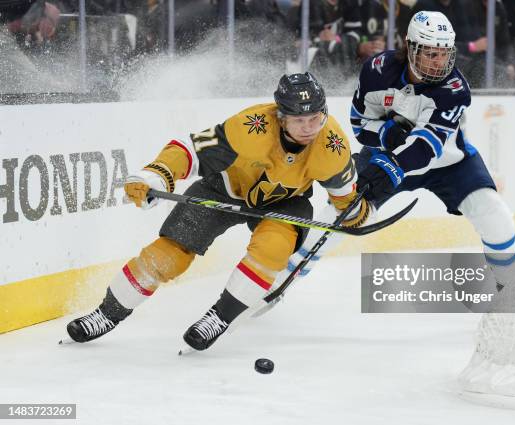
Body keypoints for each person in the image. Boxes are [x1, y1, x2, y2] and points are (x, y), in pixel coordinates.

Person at [63, 72, 370, 351]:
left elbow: (344, 198)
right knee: (169, 255)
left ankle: (219, 318)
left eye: (315, 118)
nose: (309, 128)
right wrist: (156, 173)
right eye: (299, 120)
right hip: (222, 190)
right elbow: (192, 150)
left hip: (284, 203)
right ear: (281, 117)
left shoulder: (331, 145)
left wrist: (355, 212)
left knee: (273, 248)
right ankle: (106, 313)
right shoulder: (250, 128)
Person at [351, 10, 515, 288]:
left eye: (444, 53)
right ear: (410, 47)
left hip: (449, 163)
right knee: (343, 214)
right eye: (430, 54)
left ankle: (512, 288)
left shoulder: (455, 88)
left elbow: (427, 147)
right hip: (388, 155)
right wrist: (384, 132)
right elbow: (358, 124)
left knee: (496, 217)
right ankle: (279, 276)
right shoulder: (377, 70)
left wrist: (388, 165)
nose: (439, 62)